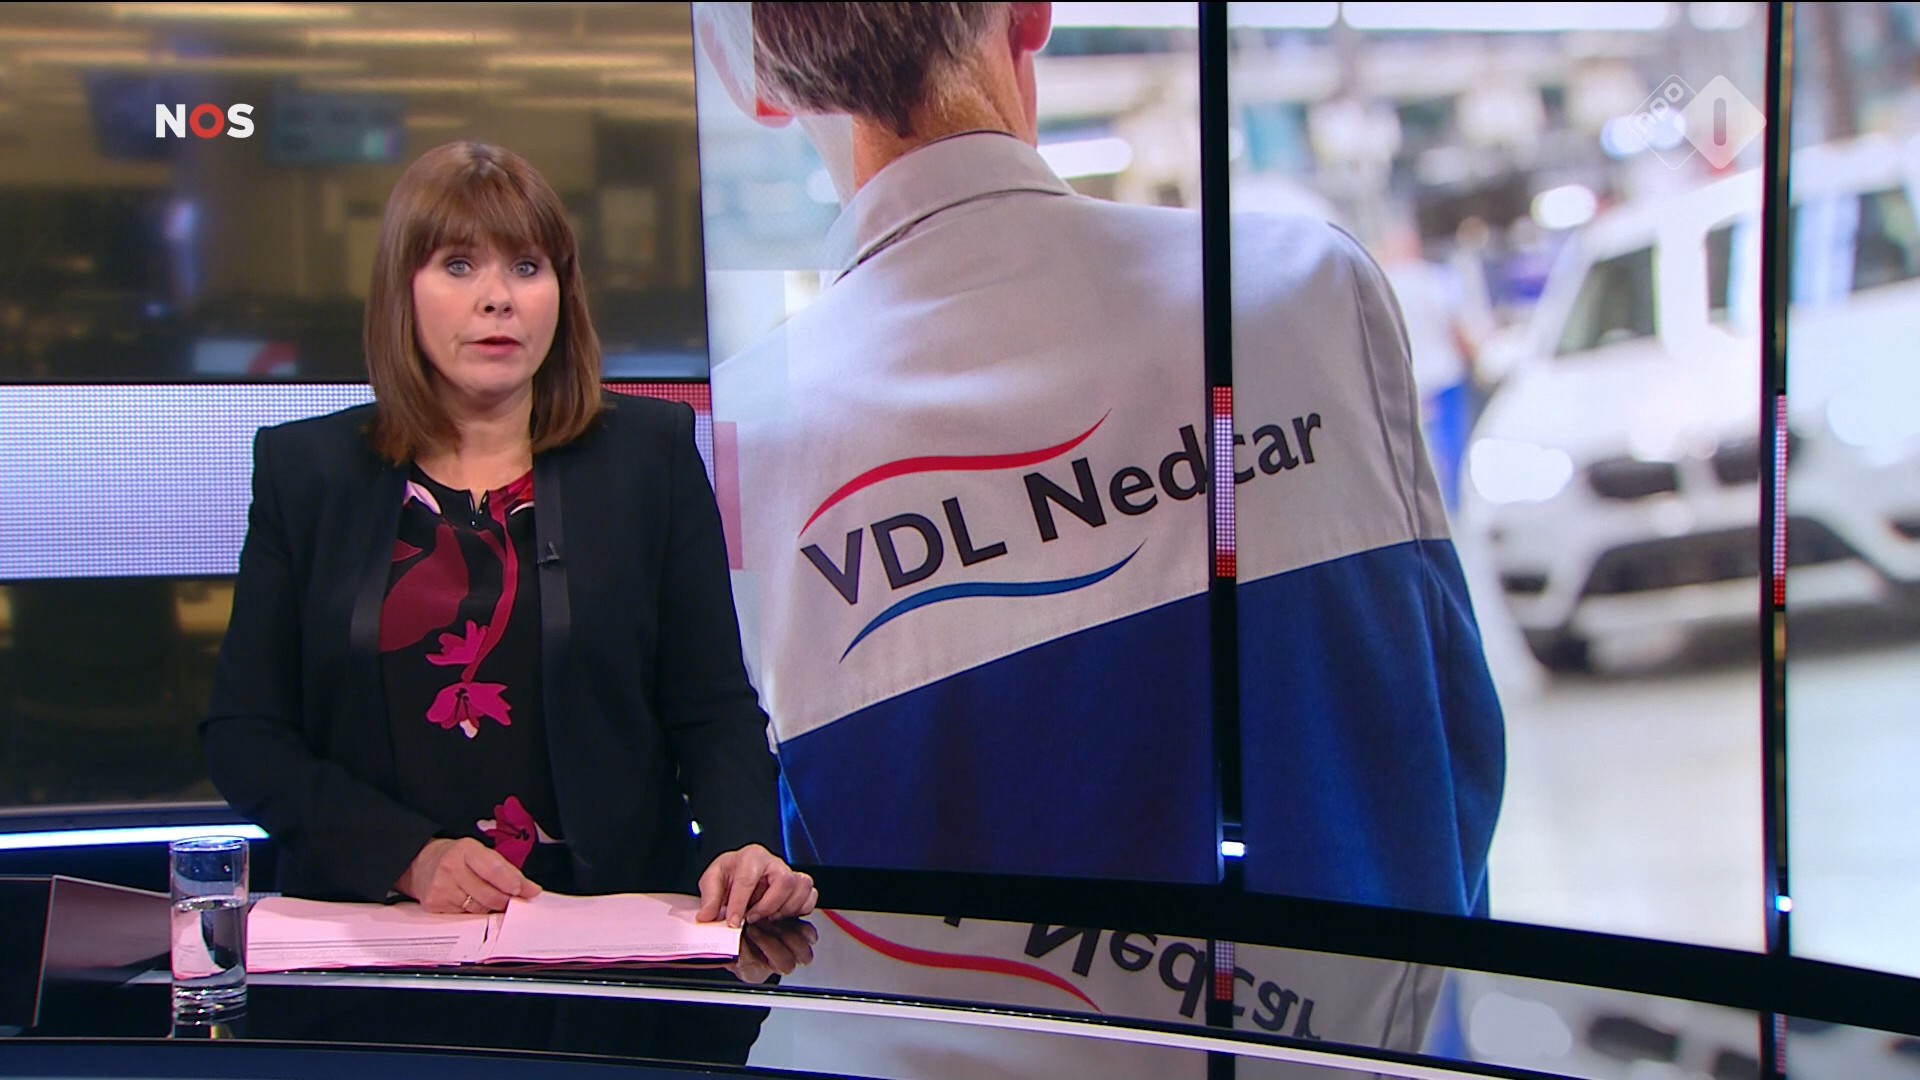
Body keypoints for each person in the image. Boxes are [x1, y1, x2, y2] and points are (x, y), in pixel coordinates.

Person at [703, 3, 1505, 915]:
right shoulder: (1306, 292)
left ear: (750, 86)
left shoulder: (727, 454)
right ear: (1034, 13)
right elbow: (1454, 772)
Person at [201, 141, 817, 935]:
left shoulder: (649, 457)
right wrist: (408, 857)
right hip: (379, 931)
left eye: (527, 267)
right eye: (459, 266)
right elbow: (245, 735)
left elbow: (710, 707)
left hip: (606, 926)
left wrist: (744, 843)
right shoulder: (307, 471)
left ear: (562, 291)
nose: (498, 299)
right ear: (402, 290)